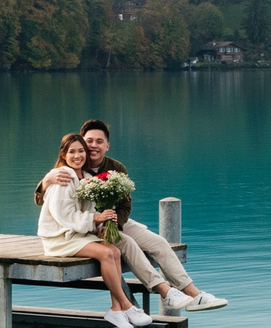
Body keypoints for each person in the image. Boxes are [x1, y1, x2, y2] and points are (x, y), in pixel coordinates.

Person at [77, 119, 228, 311]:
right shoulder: (74, 165)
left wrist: (115, 224)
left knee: (159, 243)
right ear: (82, 142)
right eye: (89, 141)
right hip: (87, 227)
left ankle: (195, 294)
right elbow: (47, 198)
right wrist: (46, 182)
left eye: (99, 141)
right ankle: (165, 293)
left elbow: (125, 205)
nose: (93, 146)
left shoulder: (116, 168)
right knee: (129, 245)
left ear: (107, 145)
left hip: (116, 222)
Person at [34, 132, 149, 328]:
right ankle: (127, 305)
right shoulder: (63, 176)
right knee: (106, 253)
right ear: (63, 154)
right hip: (59, 237)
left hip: (77, 233)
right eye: (72, 152)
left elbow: (88, 210)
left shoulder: (87, 178)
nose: (77, 156)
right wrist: (95, 219)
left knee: (114, 250)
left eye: (81, 151)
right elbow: (63, 214)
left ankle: (116, 309)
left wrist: (103, 221)